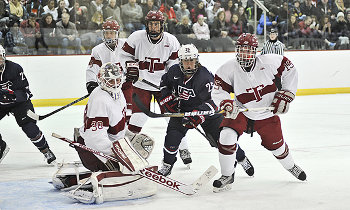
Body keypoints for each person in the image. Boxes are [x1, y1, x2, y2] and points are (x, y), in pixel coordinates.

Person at [211, 33, 307, 192]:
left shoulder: (270, 61)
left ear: (255, 51)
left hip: (267, 114)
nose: (244, 54)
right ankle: (227, 175)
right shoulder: (228, 68)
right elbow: (218, 90)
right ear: (236, 50)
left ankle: (291, 166)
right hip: (241, 111)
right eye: (241, 50)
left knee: (278, 148)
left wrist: (287, 93)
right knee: (226, 136)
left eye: (249, 50)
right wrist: (226, 103)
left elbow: (290, 68)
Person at [54, 63, 156, 204]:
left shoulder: (118, 93)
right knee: (122, 170)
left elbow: (117, 126)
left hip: (108, 143)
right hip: (91, 148)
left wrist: (127, 138)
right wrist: (117, 153)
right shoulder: (100, 99)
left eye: (117, 80)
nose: (115, 84)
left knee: (138, 151)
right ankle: (81, 182)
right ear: (101, 80)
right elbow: (95, 138)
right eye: (110, 80)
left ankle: (72, 179)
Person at [157, 44, 254, 177]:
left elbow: (214, 101)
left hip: (208, 114)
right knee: (172, 137)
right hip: (183, 110)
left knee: (222, 141)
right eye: (186, 61)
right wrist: (167, 98)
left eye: (192, 60)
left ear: (197, 60)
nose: (189, 64)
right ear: (180, 61)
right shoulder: (174, 71)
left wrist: (198, 116)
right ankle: (167, 165)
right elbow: (164, 83)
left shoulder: (205, 77)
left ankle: (241, 158)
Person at [120, 11, 193, 167]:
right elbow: (124, 55)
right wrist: (130, 66)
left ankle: (183, 148)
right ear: (147, 25)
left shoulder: (171, 41)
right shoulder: (136, 37)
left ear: (162, 25)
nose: (154, 27)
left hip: (162, 87)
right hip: (141, 85)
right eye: (151, 24)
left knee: (173, 117)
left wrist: (172, 82)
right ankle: (127, 150)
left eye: (157, 24)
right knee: (138, 118)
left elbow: (174, 66)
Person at [0, 44, 56, 164]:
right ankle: (1, 148)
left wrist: (10, 95)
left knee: (29, 127)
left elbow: (24, 92)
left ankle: (46, 150)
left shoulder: (15, 68)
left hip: (19, 103)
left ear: (4, 56)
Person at [85, 19, 133, 124]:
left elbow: (135, 59)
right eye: (107, 33)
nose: (109, 36)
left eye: (112, 33)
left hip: (125, 84)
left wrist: (133, 69)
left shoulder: (126, 45)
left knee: (128, 112)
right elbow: (92, 69)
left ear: (117, 34)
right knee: (109, 112)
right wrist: (91, 83)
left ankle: (128, 133)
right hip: (108, 87)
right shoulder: (97, 50)